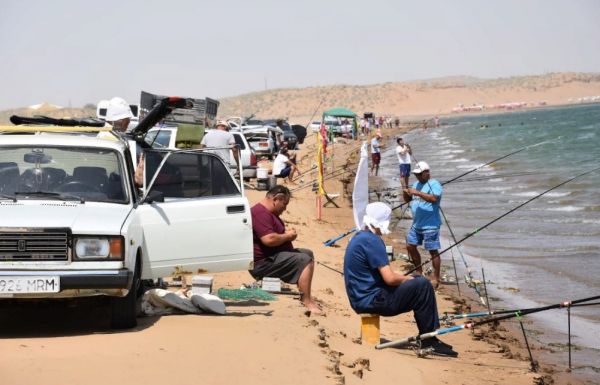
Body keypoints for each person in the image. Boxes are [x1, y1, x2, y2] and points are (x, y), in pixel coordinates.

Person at [343, 202, 457, 356]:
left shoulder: (359, 237)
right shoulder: (372, 241)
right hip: (370, 300)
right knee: (423, 284)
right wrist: (409, 279)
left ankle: (429, 337)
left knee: (417, 281)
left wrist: (406, 279)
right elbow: (389, 279)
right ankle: (429, 339)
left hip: (359, 298)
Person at [249, 185, 322, 314]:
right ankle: (307, 301)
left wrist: (286, 235)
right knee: (305, 260)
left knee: (307, 253)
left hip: (273, 257)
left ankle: (304, 293)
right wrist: (288, 236)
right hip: (263, 264)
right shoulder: (260, 213)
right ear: (276, 199)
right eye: (284, 204)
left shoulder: (268, 213)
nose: (285, 208)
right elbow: (269, 239)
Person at [403, 161, 443, 289]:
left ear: (427, 172)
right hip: (417, 224)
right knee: (410, 246)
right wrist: (406, 192)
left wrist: (417, 192)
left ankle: (436, 278)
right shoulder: (416, 184)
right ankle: (419, 272)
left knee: (433, 251)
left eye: (420, 174)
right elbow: (408, 200)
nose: (418, 177)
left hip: (430, 225)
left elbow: (433, 199)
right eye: (416, 174)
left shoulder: (434, 184)